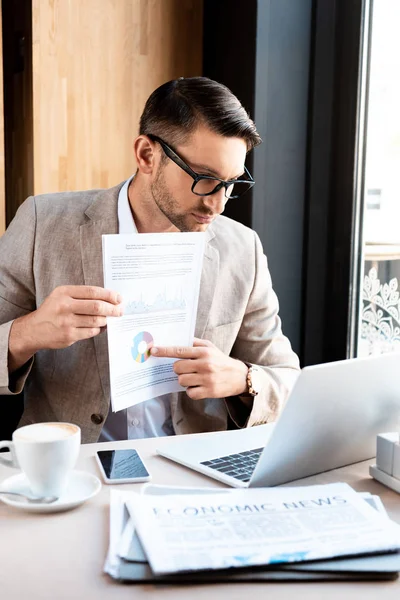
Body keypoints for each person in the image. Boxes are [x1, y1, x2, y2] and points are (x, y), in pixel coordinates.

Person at [0, 77, 300, 444]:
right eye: (205, 179)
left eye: (233, 182)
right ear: (146, 155)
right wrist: (28, 332)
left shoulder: (242, 249)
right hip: (74, 469)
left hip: (193, 469)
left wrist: (241, 378)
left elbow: (287, 379)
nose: (219, 203)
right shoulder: (42, 224)